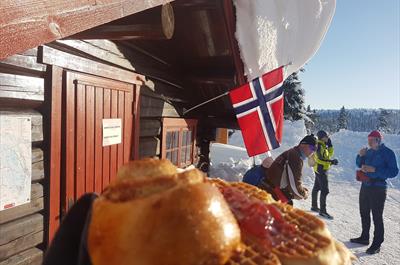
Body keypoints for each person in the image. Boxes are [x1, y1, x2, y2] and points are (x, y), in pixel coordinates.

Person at [350, 130, 398, 255]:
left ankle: (377, 243)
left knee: (377, 216)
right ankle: (364, 237)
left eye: (372, 140)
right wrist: (360, 156)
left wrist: (375, 169)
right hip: (365, 185)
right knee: (364, 212)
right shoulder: (369, 151)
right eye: (368, 140)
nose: (369, 142)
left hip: (378, 188)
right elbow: (359, 164)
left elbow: (394, 171)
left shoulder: (388, 153)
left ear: (378, 140)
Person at [258, 135, 317, 205]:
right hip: (271, 193)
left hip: (268, 189)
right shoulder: (295, 157)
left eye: (315, 150)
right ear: (303, 144)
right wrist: (304, 194)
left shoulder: (293, 153)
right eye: (312, 147)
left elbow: (289, 179)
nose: (312, 151)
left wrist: (301, 189)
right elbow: (294, 185)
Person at [311, 130, 339, 219]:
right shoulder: (319, 146)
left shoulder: (323, 145)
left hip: (319, 169)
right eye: (326, 136)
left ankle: (314, 206)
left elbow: (328, 155)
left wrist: (330, 146)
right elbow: (320, 159)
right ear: (322, 137)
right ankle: (323, 211)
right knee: (325, 190)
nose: (328, 137)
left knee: (316, 187)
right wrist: (331, 162)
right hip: (321, 170)